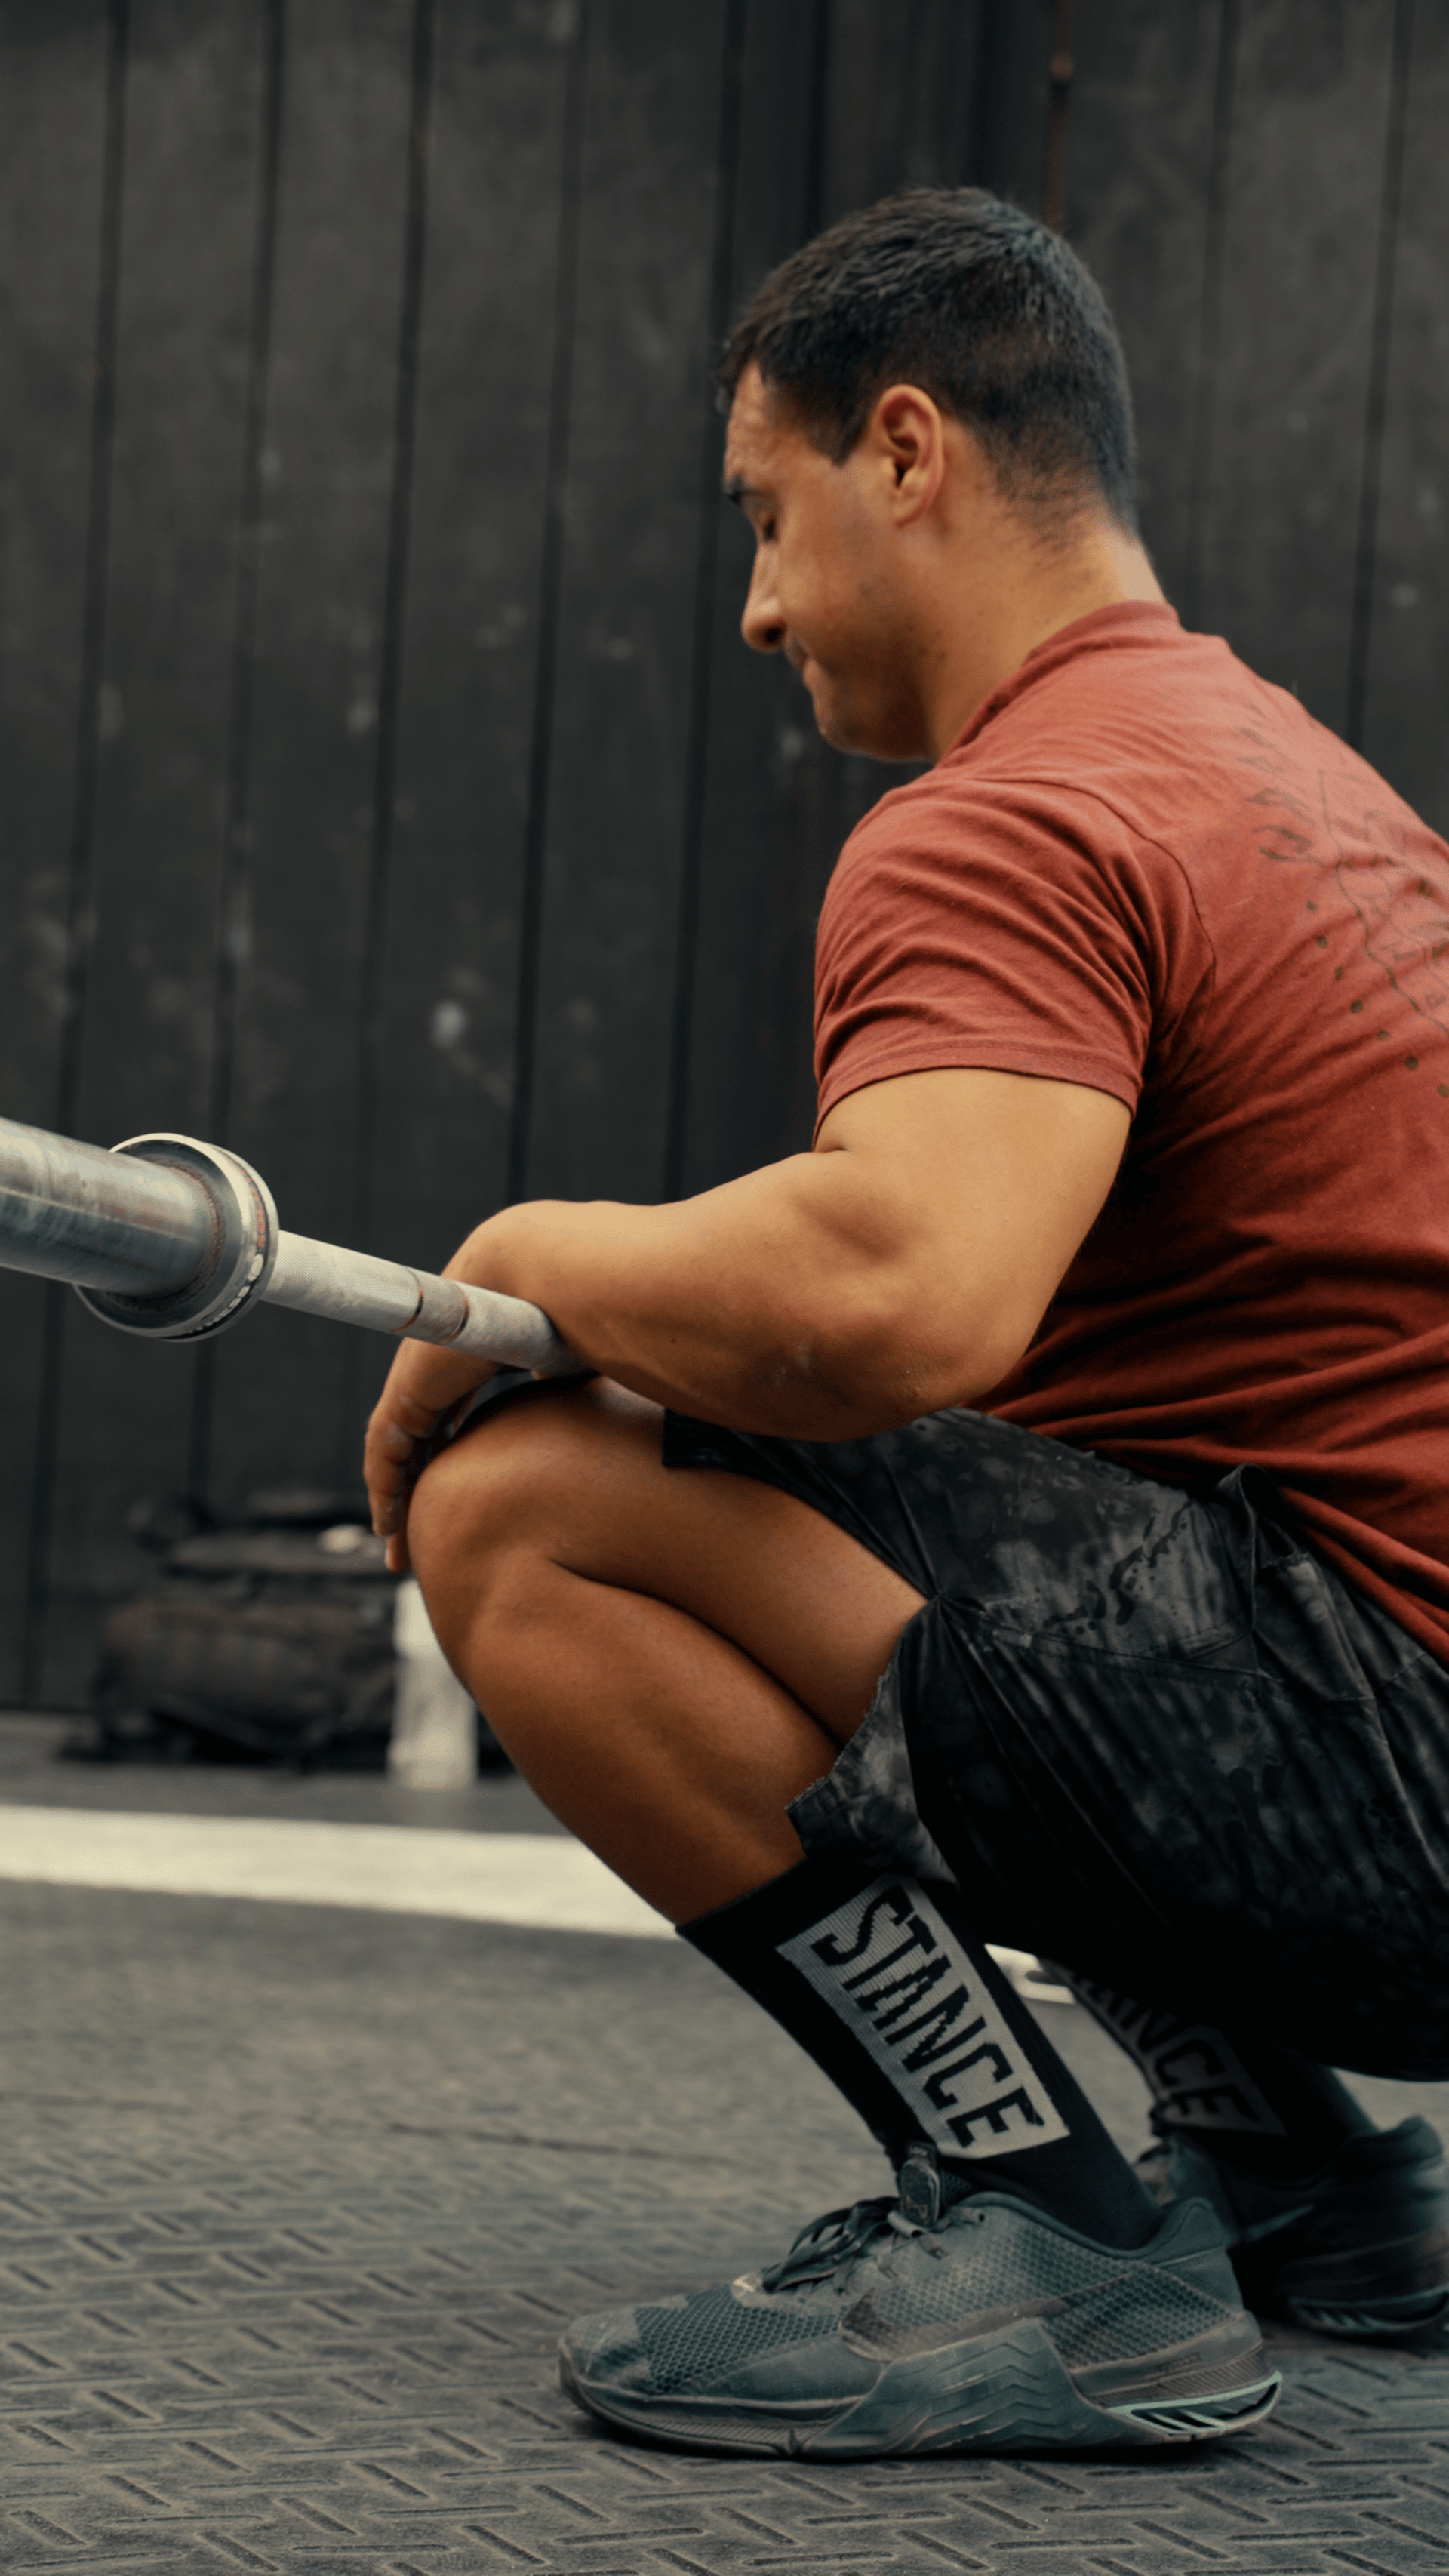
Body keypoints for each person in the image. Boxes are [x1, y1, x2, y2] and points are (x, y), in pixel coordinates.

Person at [362, 189, 1449, 2461]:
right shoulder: (1294, 778)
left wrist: (529, 1250)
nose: (758, 603)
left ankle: (1041, 2214)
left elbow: (900, 1295)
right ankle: (1310, 2178)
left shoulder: (1013, 814)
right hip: (1391, 1745)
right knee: (733, 1402)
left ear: (912, 452)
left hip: (1379, 1787)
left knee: (524, 1498)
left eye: (767, 516)